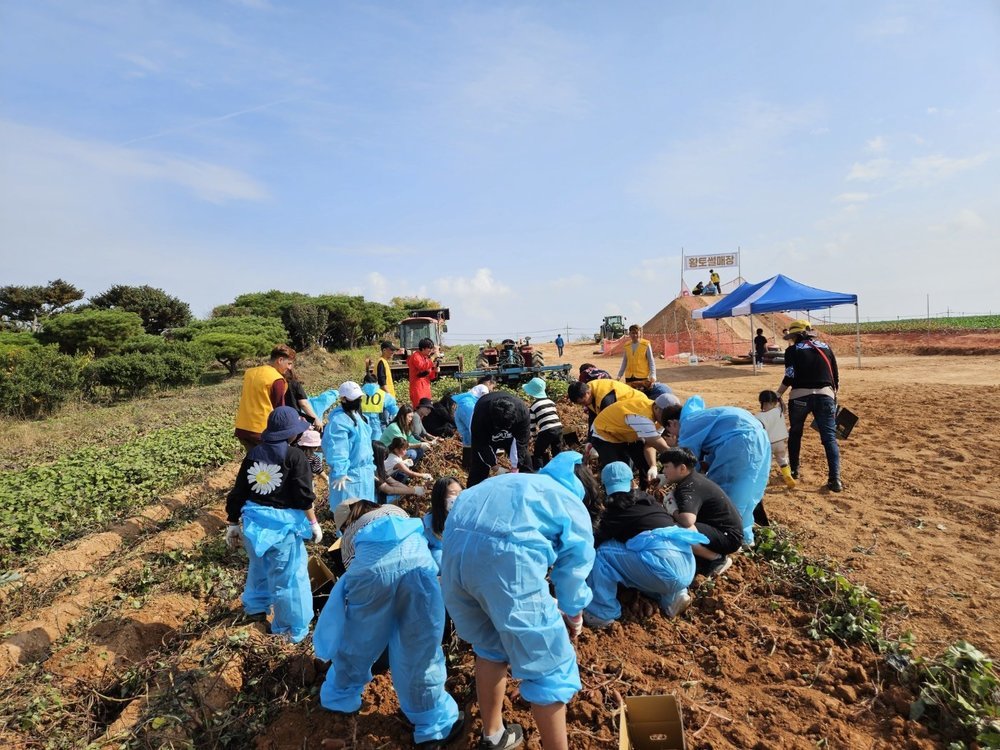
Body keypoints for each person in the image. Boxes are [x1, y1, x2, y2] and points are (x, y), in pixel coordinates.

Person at [440, 452, 596, 750]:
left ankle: (494, 735)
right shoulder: (568, 501)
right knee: (550, 667)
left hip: (455, 565)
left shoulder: (505, 482)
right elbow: (574, 573)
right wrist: (574, 617)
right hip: (505, 567)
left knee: (489, 647)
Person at [315, 498, 465, 748]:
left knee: (358, 640)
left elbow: (360, 575)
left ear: (345, 524)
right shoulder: (396, 511)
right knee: (421, 646)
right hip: (418, 567)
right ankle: (433, 723)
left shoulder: (351, 533)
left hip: (371, 575)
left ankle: (340, 696)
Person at [225, 406, 322, 643]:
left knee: (259, 567)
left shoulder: (254, 454)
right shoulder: (294, 456)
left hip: (254, 526)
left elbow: (240, 490)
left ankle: (256, 609)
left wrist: (232, 521)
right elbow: (303, 496)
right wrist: (314, 522)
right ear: (291, 433)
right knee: (288, 580)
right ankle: (291, 631)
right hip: (281, 530)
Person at [583, 462, 707, 628]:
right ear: (632, 483)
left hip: (663, 569)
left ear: (604, 488)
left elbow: (595, 542)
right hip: (686, 564)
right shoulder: (649, 502)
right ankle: (673, 597)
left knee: (602, 553)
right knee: (642, 550)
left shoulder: (614, 513)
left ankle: (601, 613)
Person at [659, 396, 770, 545]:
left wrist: (667, 480)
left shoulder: (687, 425)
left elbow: (686, 467)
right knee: (749, 488)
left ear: (672, 423)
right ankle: (745, 537)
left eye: (671, 432)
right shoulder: (699, 416)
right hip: (760, 438)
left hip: (740, 443)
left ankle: (729, 535)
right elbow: (708, 453)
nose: (676, 436)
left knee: (728, 492)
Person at [776, 320, 842, 492]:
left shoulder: (792, 350)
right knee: (829, 438)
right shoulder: (826, 347)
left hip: (799, 397)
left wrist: (778, 394)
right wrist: (833, 396)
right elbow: (835, 375)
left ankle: (794, 470)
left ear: (796, 336)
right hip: (825, 396)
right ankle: (835, 480)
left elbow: (790, 376)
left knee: (796, 433)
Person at [660, 447, 744, 578]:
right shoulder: (694, 478)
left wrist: (673, 509)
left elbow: (687, 521)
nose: (663, 471)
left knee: (676, 529)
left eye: (666, 467)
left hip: (728, 538)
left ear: (682, 468)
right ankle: (704, 557)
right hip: (729, 532)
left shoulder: (688, 488)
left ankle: (716, 558)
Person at [590, 392, 680, 482]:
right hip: (603, 432)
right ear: (656, 408)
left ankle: (644, 487)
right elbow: (659, 445)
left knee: (642, 463)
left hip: (625, 433)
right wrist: (680, 459)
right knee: (617, 471)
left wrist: (653, 465)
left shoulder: (661, 418)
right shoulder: (642, 416)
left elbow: (650, 444)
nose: (669, 421)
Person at [322, 381, 376, 507]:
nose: (358, 400)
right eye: (354, 398)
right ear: (343, 399)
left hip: (365, 474)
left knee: (365, 513)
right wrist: (341, 472)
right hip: (349, 476)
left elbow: (367, 446)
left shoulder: (359, 417)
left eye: (359, 398)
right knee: (349, 515)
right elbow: (338, 449)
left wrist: (371, 468)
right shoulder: (339, 421)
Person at [234, 344, 296, 450]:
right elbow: (280, 411)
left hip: (242, 428)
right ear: (280, 360)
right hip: (262, 431)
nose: (290, 368)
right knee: (269, 464)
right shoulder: (277, 379)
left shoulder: (250, 373)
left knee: (254, 463)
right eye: (289, 363)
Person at [467, 390, 534, 487]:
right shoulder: (481, 415)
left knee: (525, 463)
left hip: (512, 437)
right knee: (479, 467)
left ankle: (529, 489)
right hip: (487, 436)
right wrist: (495, 467)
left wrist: (516, 466)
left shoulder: (522, 411)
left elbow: (521, 441)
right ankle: (473, 496)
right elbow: (481, 444)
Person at [568, 378, 646, 430]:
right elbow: (593, 419)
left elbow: (610, 425)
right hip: (626, 413)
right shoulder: (588, 390)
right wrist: (590, 441)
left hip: (640, 408)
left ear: (587, 393)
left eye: (583, 402)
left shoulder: (605, 398)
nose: (583, 405)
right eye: (580, 404)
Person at [756, 390, 796, 489]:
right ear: (775, 402)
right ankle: (787, 475)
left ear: (761, 402)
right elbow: (784, 406)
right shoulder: (779, 410)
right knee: (782, 459)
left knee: (766, 463)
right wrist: (779, 398)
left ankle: (765, 481)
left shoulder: (759, 416)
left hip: (768, 444)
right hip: (780, 442)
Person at [522, 377, 563, 468]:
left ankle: (540, 472)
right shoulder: (551, 402)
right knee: (557, 452)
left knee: (538, 453)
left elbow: (532, 425)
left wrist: (535, 437)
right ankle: (559, 468)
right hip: (558, 428)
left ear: (532, 393)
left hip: (547, 430)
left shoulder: (533, 406)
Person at [422, 476, 462, 570]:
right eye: (453, 493)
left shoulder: (464, 518)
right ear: (440, 496)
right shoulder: (427, 523)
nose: (458, 497)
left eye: (460, 493)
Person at [453, 384, 490, 469]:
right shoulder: (483, 388)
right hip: (467, 407)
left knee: (467, 438)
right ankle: (475, 465)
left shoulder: (468, 399)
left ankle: (467, 465)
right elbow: (473, 426)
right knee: (474, 431)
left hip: (462, 407)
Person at [617, 324, 657, 389]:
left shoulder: (646, 345)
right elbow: (624, 362)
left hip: (642, 377)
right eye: (633, 333)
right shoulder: (627, 346)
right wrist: (619, 375)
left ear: (640, 333)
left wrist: (653, 375)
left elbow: (651, 361)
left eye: (636, 333)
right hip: (629, 378)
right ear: (629, 334)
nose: (635, 335)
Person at [360, 374, 399, 442]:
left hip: (361, 425)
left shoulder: (358, 393)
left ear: (365, 382)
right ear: (376, 382)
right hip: (377, 427)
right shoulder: (383, 394)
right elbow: (394, 410)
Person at [283, 366, 323, 430]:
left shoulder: (275, 384)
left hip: (278, 417)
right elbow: (304, 404)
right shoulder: (295, 384)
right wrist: (315, 419)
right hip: (294, 417)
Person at [407, 337, 438, 408]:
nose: (431, 350)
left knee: (427, 408)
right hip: (418, 387)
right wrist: (432, 358)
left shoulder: (426, 358)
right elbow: (422, 367)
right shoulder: (415, 356)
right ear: (423, 348)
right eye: (429, 348)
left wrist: (435, 371)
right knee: (419, 407)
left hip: (426, 386)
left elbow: (430, 375)